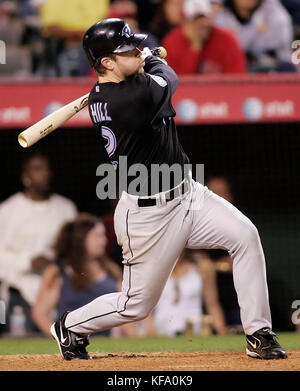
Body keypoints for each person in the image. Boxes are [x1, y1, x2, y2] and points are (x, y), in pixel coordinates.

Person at [50, 17, 286, 361]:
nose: (137, 51)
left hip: (188, 193)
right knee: (136, 306)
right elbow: (170, 79)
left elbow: (149, 79)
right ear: (107, 63)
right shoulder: (126, 100)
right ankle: (70, 325)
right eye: (128, 49)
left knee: (245, 236)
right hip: (148, 214)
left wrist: (139, 60)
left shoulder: (117, 90)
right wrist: (154, 59)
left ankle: (258, 332)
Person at [0, 152, 77, 334]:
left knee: (61, 344)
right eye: (37, 169)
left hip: (56, 290)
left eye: (46, 169)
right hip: (18, 292)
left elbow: (75, 253)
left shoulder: (66, 209)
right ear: (25, 176)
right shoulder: (7, 210)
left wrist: (53, 261)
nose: (43, 174)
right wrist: (28, 261)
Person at [32, 214, 122, 337]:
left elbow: (126, 310)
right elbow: (40, 313)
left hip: (109, 345)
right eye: (97, 236)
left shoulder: (111, 269)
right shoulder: (59, 271)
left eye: (103, 236)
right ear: (81, 239)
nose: (104, 241)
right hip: (74, 343)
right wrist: (62, 338)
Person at [152, 248, 228, 336]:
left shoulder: (202, 265)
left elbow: (212, 304)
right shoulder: (152, 266)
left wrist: (221, 331)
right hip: (159, 334)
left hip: (195, 333)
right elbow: (144, 306)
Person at [161, 0, 247, 74]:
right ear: (185, 22)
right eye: (195, 19)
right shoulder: (173, 41)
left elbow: (237, 78)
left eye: (204, 18)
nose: (201, 24)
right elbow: (176, 81)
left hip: (220, 92)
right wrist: (195, 48)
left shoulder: (227, 40)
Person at [214, 0, 296, 72]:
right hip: (230, 67)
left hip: (268, 67)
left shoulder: (275, 13)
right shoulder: (218, 13)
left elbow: (284, 56)